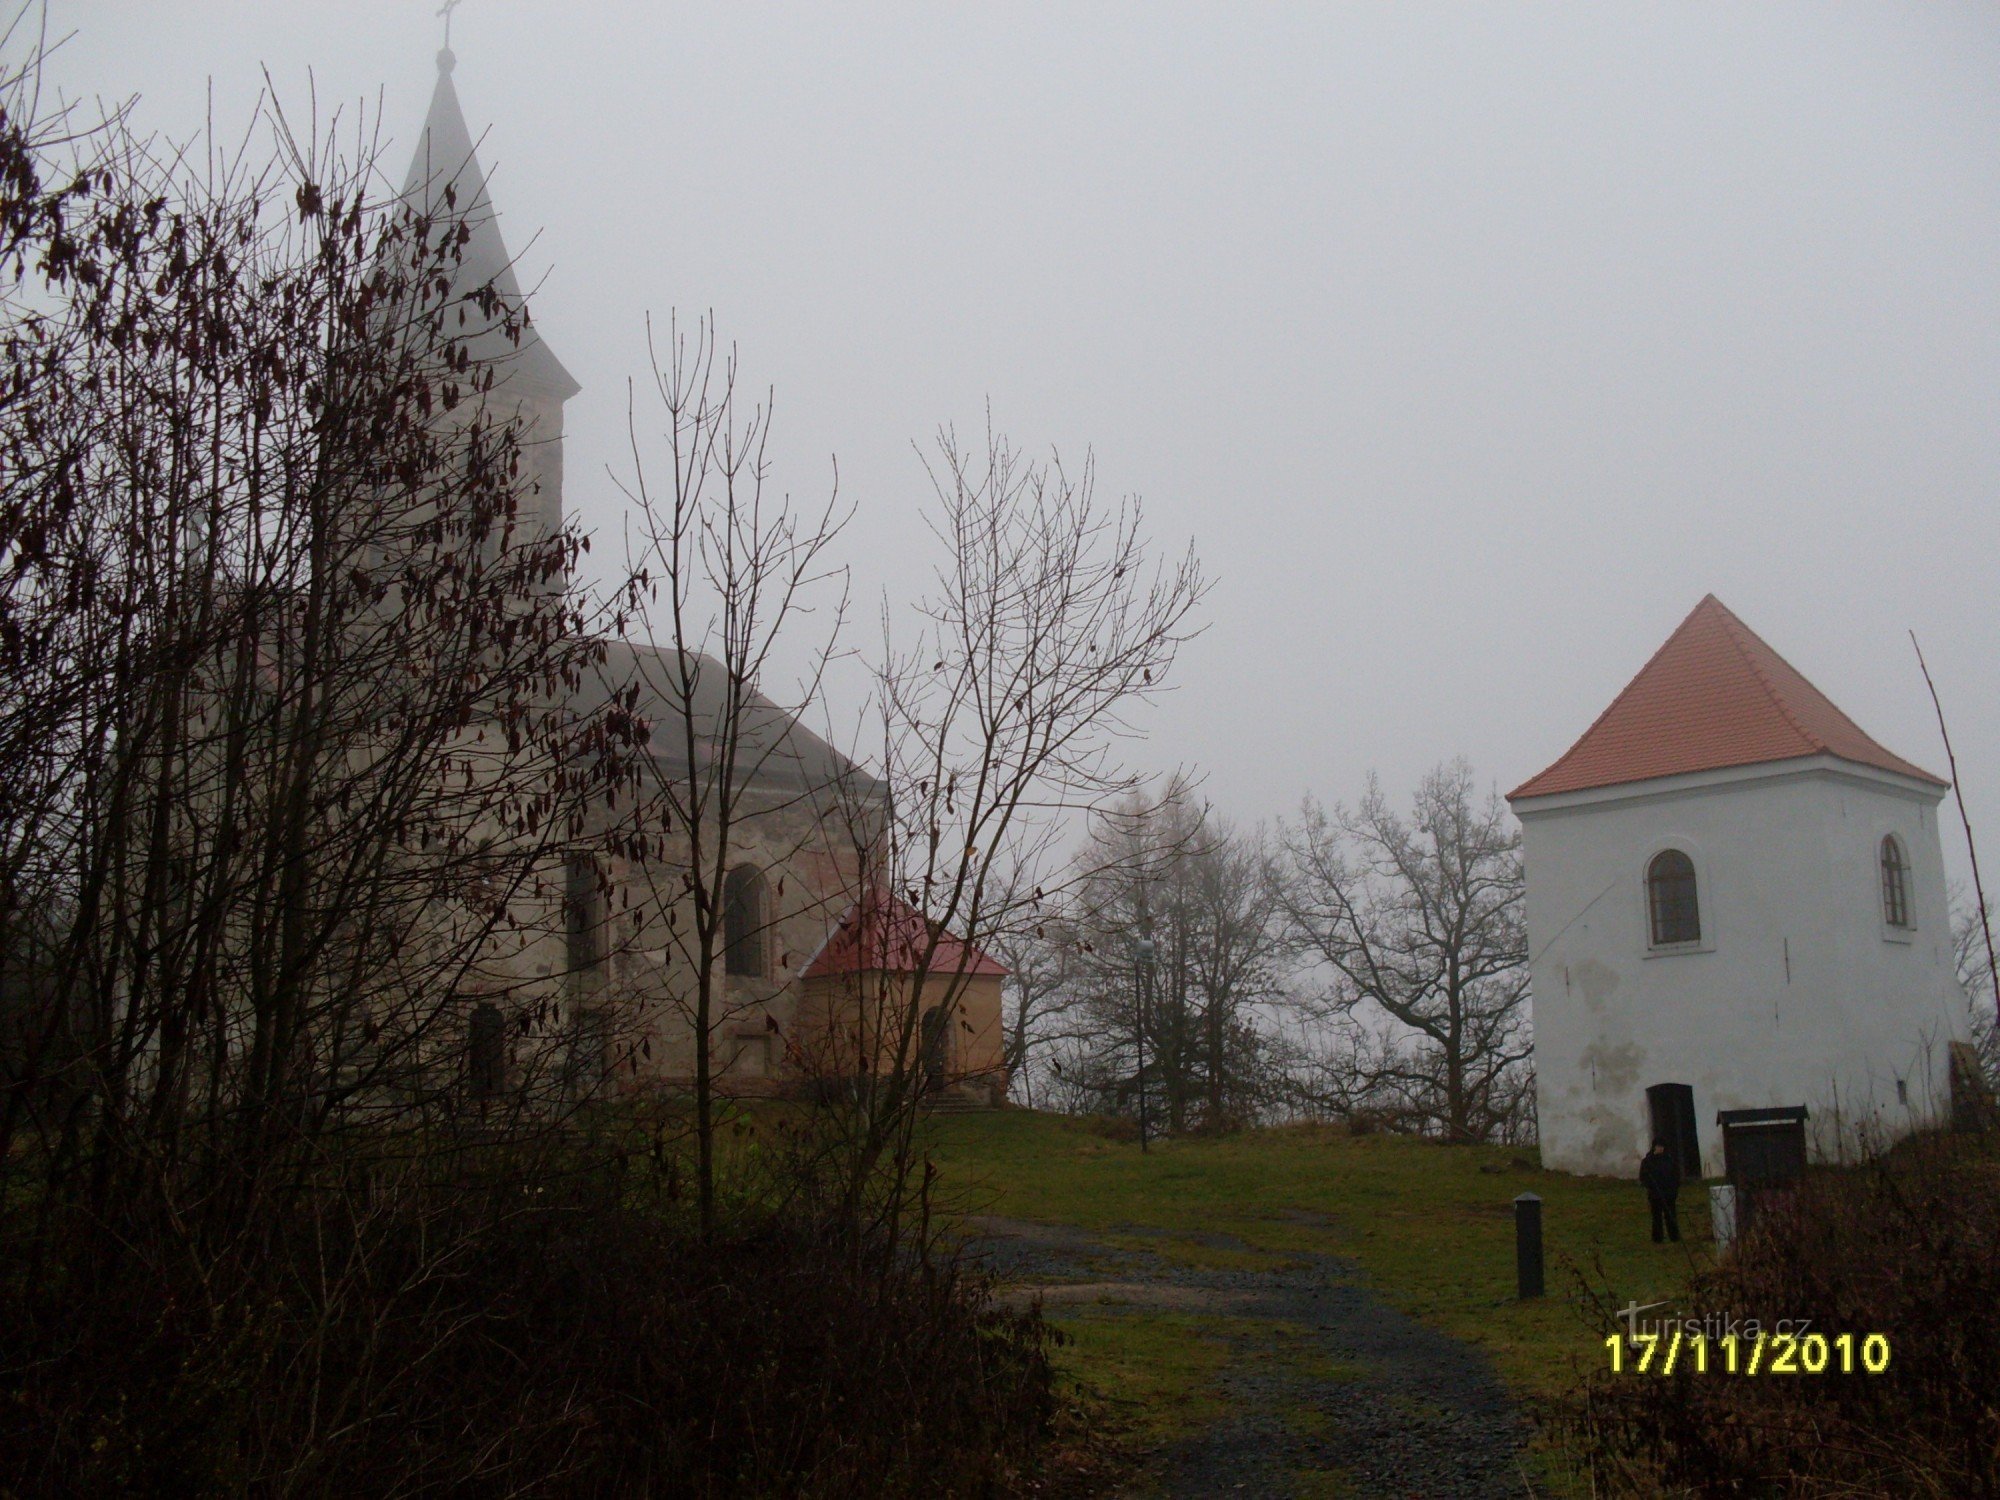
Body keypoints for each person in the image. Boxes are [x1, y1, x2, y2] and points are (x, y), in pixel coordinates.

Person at [1640, 1139, 1682, 1243]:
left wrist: (1674, 1188)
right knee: (1656, 1217)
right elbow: (1643, 1177)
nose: (1660, 1148)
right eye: (1658, 1146)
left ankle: (1674, 1237)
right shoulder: (1647, 1161)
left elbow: (1676, 1175)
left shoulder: (1670, 1160)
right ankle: (1657, 1238)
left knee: (1671, 1216)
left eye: (1662, 1146)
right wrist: (1650, 1186)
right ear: (1654, 1147)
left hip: (1669, 1193)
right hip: (1655, 1194)